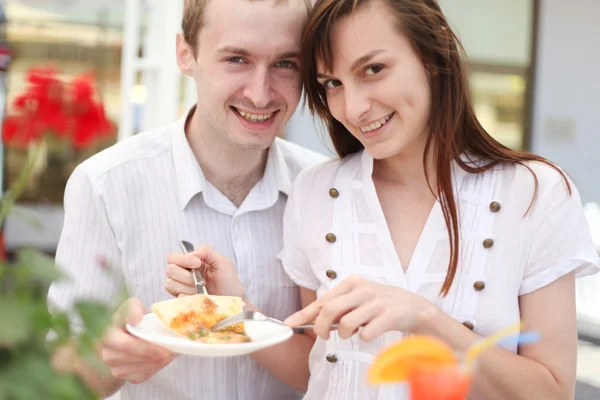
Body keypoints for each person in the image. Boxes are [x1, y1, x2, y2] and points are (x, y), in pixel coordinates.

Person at [167, 0, 600, 399]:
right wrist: (234, 312)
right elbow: (318, 368)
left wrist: (424, 318)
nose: (353, 107)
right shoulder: (316, 192)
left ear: (432, 57)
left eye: (373, 70)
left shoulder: (534, 193)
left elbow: (553, 391)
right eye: (332, 82)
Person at [47, 0, 325, 399]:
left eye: (285, 64)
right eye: (236, 59)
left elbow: (335, 369)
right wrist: (104, 360)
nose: (261, 94)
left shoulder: (325, 190)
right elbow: (58, 381)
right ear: (185, 53)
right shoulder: (104, 185)